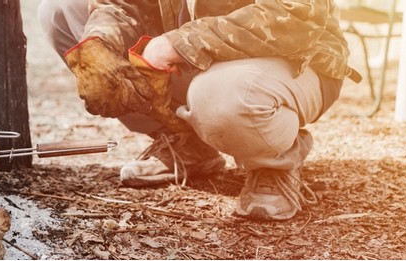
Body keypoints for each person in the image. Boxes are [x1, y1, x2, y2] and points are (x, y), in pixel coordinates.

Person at [37, 0, 361, 221]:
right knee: (63, 9)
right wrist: (100, 45)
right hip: (201, 59)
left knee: (222, 97)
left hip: (294, 60)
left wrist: (180, 44)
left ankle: (272, 162)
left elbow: (298, 15)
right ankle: (184, 139)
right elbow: (120, 3)